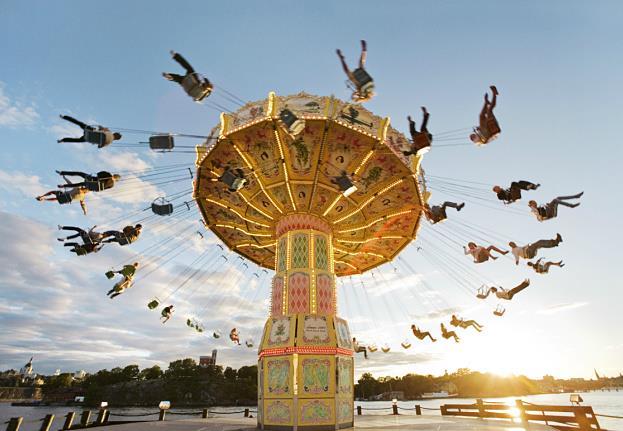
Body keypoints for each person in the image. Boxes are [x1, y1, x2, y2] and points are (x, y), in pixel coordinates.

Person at [57, 115, 122, 148]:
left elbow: (100, 127)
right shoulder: (108, 143)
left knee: (80, 123)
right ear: (116, 139)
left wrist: (102, 128)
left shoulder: (109, 132)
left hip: (89, 131)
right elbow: (99, 146)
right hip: (87, 138)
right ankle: (62, 140)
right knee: (77, 140)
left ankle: (64, 117)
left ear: (115, 133)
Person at [56, 170, 121, 192]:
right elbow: (102, 189)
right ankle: (63, 186)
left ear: (114, 175)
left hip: (91, 179)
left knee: (79, 173)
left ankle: (62, 173)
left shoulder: (108, 174)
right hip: (91, 186)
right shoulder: (112, 185)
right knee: (79, 184)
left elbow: (99, 174)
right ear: (116, 180)